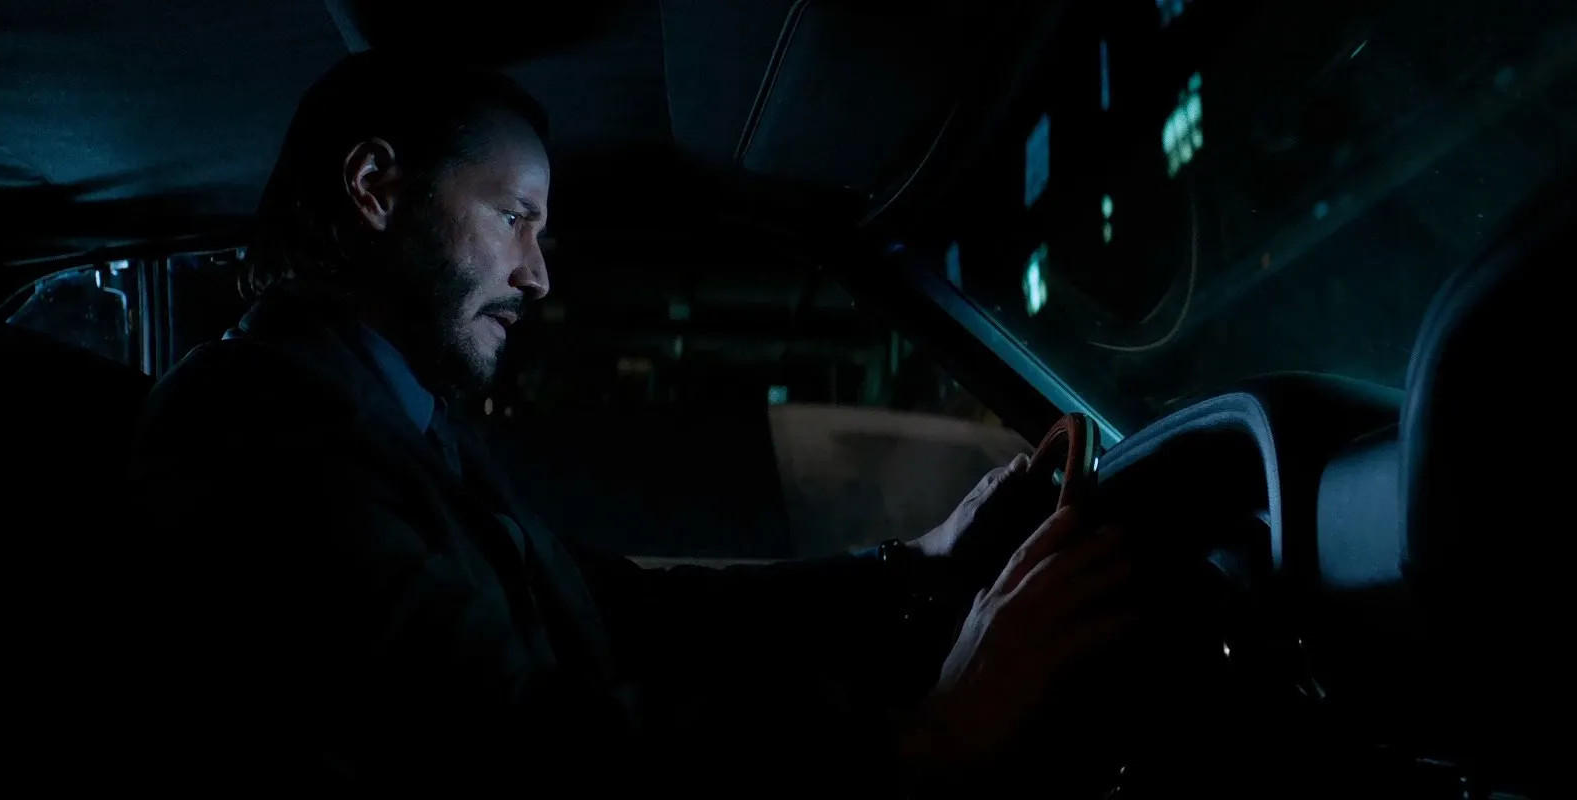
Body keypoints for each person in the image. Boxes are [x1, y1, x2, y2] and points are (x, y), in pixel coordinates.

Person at [130, 51, 1132, 791]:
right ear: (375, 189)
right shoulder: (250, 430)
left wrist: (913, 566)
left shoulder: (404, 427)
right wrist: (928, 740)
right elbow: (515, 754)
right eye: (514, 218)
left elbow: (631, 613)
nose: (537, 274)